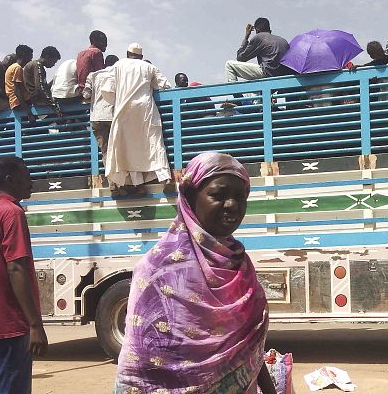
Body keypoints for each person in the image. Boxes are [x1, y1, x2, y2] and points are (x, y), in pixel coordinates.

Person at [115, 152, 275, 394]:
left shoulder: (238, 264)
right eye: (218, 195)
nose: (232, 205)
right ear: (190, 198)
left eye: (240, 197)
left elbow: (248, 348)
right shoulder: (157, 269)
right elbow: (140, 367)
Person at [0, 156, 47, 394]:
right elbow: (16, 268)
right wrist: (35, 324)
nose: (31, 182)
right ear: (11, 180)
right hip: (9, 323)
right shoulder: (12, 213)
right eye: (27, 176)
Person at [103, 43, 172, 195]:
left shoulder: (118, 65)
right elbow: (165, 85)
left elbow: (107, 90)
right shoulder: (149, 67)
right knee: (153, 142)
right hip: (146, 110)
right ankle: (165, 177)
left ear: (127, 54)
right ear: (141, 56)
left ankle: (136, 184)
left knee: (127, 148)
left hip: (124, 111)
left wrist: (118, 101)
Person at [225, 17, 290, 83]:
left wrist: (246, 36)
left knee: (229, 65)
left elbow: (240, 58)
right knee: (257, 92)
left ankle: (236, 92)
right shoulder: (283, 41)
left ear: (257, 30)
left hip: (267, 73)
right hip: (280, 76)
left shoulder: (259, 37)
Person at [84, 55, 120, 168]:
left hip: (97, 118)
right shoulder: (118, 75)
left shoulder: (93, 75)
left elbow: (86, 94)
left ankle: (112, 183)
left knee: (105, 151)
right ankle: (122, 181)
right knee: (118, 150)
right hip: (113, 116)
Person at [5, 45, 36, 121]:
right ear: (24, 55)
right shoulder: (18, 68)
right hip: (19, 103)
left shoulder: (12, 67)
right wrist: (28, 111)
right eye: (30, 57)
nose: (30, 60)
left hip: (15, 102)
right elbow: (17, 89)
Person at [76, 30, 107, 97]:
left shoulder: (80, 53)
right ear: (94, 41)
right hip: (89, 89)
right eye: (103, 41)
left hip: (80, 89)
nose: (106, 44)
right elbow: (100, 74)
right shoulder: (97, 52)